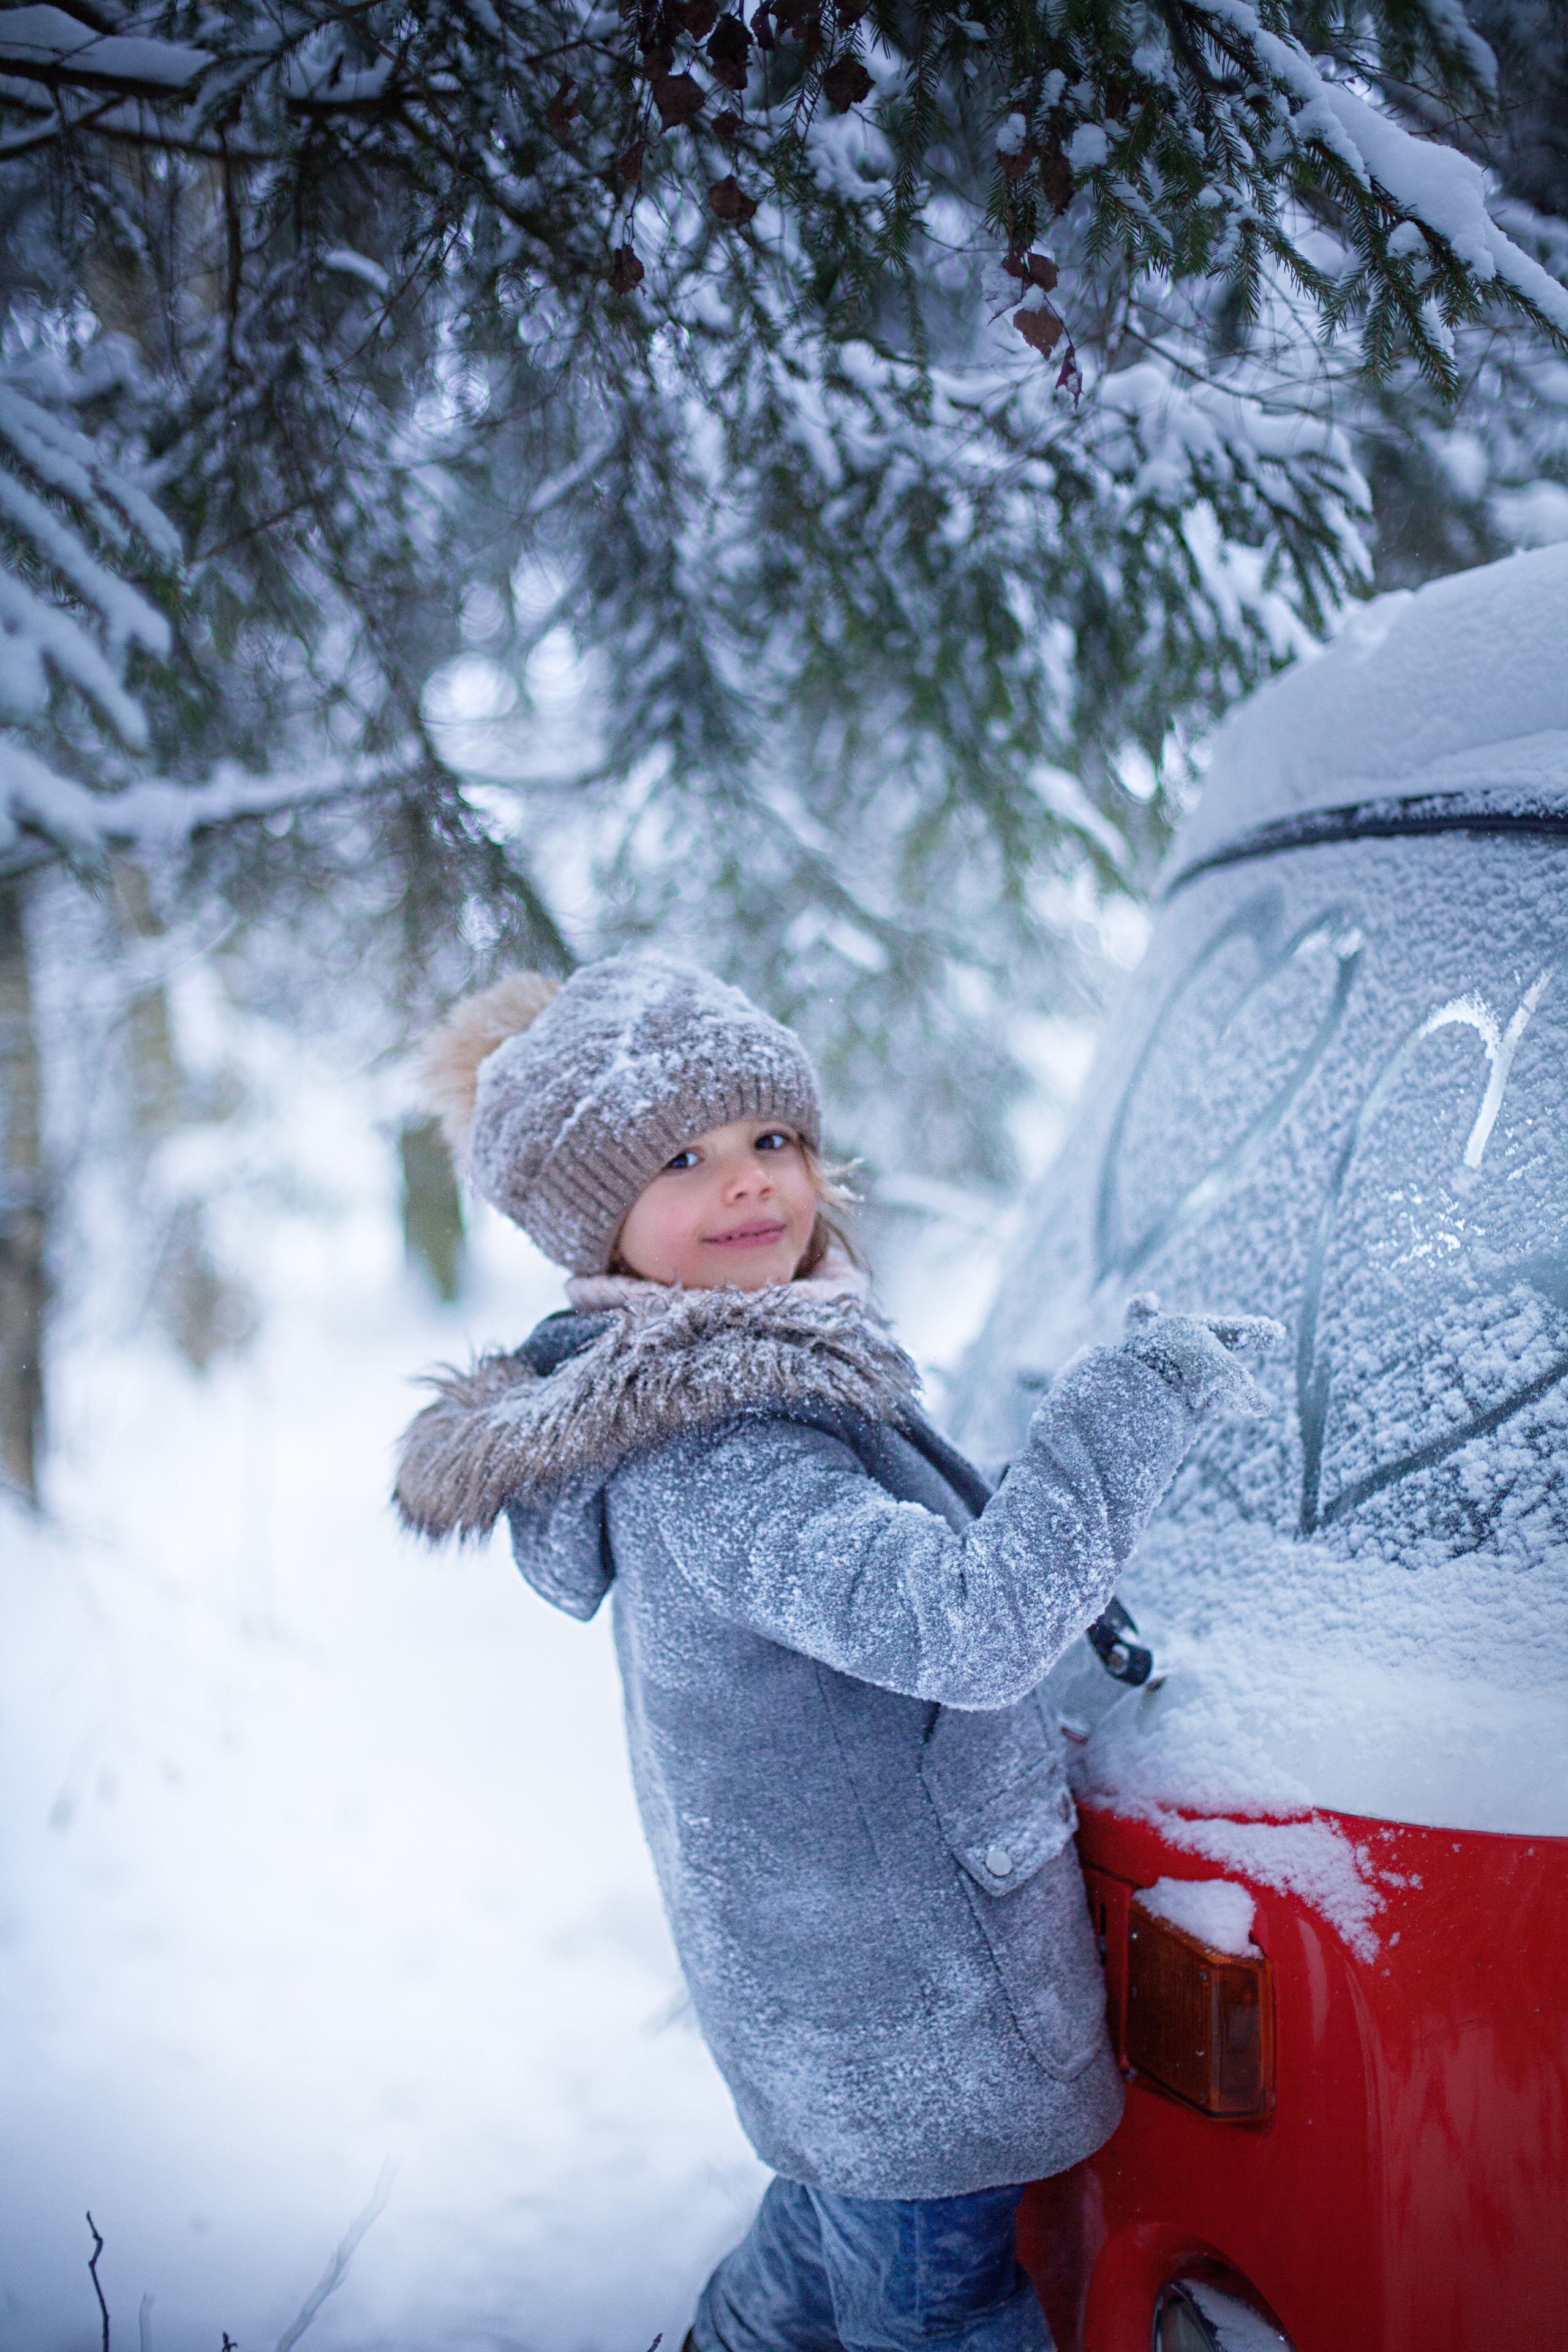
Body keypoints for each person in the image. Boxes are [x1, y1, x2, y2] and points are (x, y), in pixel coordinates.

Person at [394, 953, 1277, 2352]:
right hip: (901, 2022)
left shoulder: (746, 1386)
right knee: (933, 2313)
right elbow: (971, 1624)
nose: (750, 1181)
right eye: (682, 1156)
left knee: (814, 2262)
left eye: (773, 1139)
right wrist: (1133, 1404)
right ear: (594, 1224)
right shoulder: (729, 1457)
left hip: (837, 2023)